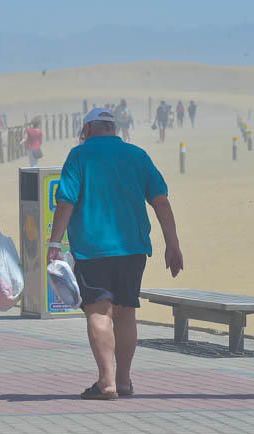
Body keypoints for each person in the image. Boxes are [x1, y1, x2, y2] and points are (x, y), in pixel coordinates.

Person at [48, 108, 183, 400]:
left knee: (99, 311)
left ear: (88, 130)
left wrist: (54, 244)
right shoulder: (137, 155)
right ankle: (123, 380)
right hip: (132, 248)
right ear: (113, 129)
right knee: (125, 312)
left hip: (93, 248)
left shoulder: (80, 155)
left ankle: (106, 381)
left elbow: (66, 201)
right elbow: (160, 201)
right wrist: (173, 244)